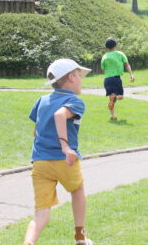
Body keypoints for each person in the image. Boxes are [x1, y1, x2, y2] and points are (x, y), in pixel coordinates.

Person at [23, 58, 93, 245]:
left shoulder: (42, 100)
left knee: (41, 211)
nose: (81, 80)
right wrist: (65, 146)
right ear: (71, 77)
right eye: (79, 76)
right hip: (64, 159)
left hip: (40, 162)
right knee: (77, 190)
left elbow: (37, 130)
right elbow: (60, 115)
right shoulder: (74, 101)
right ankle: (80, 237)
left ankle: (28, 242)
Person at [101, 37, 135, 120]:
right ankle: (115, 97)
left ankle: (113, 116)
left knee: (111, 99)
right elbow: (127, 64)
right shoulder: (120, 54)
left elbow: (103, 69)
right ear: (115, 45)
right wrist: (131, 74)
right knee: (120, 96)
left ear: (106, 47)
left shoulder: (104, 56)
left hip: (107, 79)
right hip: (116, 79)